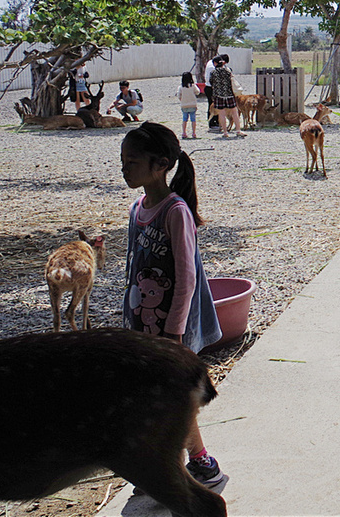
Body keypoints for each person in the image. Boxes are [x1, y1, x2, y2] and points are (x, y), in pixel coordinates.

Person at [119, 122, 225, 488]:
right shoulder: (138, 208)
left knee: (176, 395)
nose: (124, 168)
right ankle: (168, 463)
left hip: (169, 330)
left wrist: (175, 331)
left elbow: (186, 276)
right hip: (143, 325)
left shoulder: (175, 211)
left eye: (132, 161)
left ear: (161, 164)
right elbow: (136, 268)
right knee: (155, 394)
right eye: (122, 160)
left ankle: (199, 462)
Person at [207, 58, 245, 139]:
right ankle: (238, 130)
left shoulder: (213, 73)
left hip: (218, 95)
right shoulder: (227, 72)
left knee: (222, 113)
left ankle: (225, 132)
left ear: (215, 64)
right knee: (234, 112)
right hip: (229, 94)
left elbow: (211, 82)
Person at [176, 72, 199, 140]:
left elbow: (179, 95)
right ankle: (194, 133)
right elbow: (198, 92)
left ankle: (184, 133)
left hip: (184, 105)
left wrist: (182, 100)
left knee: (184, 119)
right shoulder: (193, 86)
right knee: (193, 120)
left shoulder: (181, 87)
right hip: (192, 105)